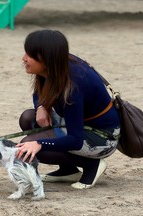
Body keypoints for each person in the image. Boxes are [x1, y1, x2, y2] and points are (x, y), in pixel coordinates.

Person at [15, 29, 120, 189]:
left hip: (102, 136)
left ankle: (92, 165)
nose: (24, 58)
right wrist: (41, 106)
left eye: (29, 55)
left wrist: (39, 143)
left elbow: (75, 140)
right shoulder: (56, 65)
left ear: (46, 58)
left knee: (31, 145)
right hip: (80, 123)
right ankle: (68, 170)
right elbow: (38, 91)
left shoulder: (73, 87)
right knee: (28, 117)